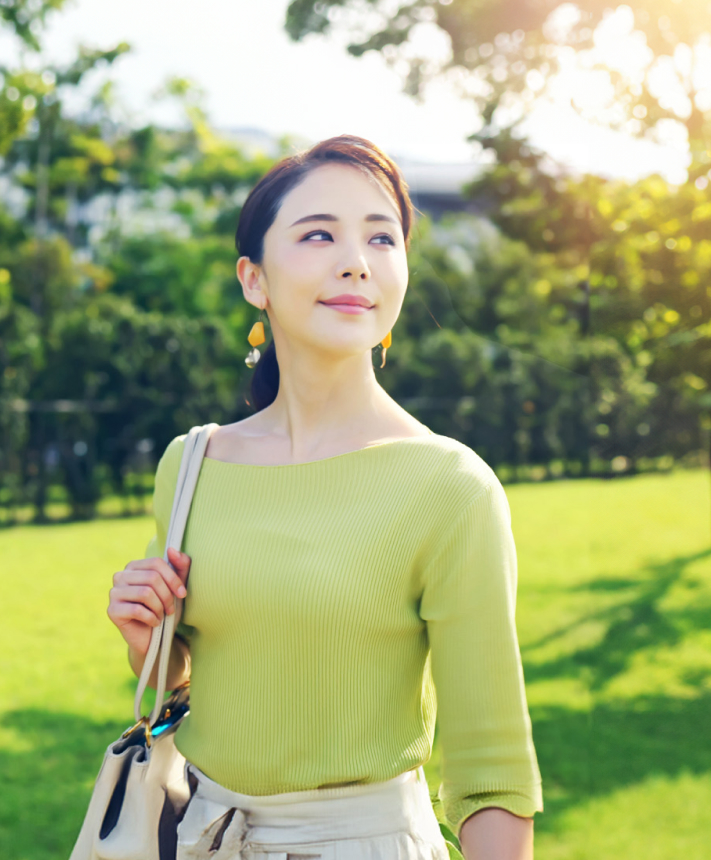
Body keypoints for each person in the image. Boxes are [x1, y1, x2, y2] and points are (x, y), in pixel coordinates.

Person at [106, 135, 543, 860]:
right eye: (318, 234)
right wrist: (150, 645)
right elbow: (184, 680)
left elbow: (491, 772)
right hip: (200, 838)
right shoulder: (191, 463)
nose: (356, 260)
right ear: (254, 279)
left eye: (382, 237)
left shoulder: (449, 486)